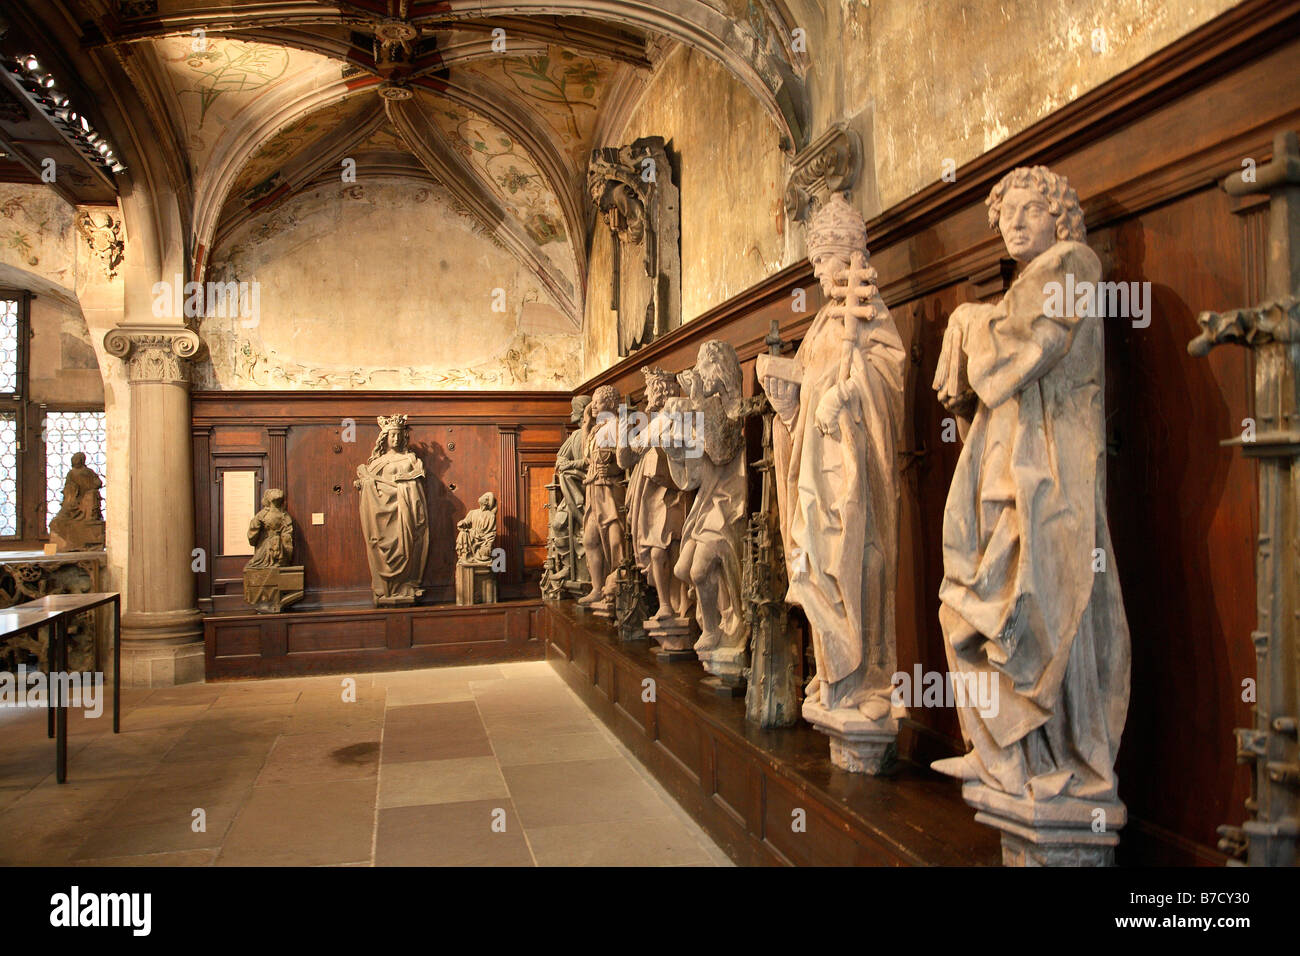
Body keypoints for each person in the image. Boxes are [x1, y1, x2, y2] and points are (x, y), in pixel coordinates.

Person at [930, 165, 1130, 801]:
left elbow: (1022, 352)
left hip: (1048, 476)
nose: (1014, 224)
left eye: (1029, 212)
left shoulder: (1074, 268)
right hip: (1006, 469)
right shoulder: (1024, 286)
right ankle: (997, 748)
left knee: (1037, 608)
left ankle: (1043, 756)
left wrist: (968, 318)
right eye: (1006, 215)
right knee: (971, 604)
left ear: (1061, 218)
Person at [758, 192, 906, 727]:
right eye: (816, 263)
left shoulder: (868, 312)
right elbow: (805, 395)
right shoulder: (823, 325)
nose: (818, 274)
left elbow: (887, 382)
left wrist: (849, 394)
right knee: (813, 565)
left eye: (823, 261)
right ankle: (831, 667)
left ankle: (865, 675)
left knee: (858, 563)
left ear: (847, 255)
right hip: (815, 473)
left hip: (852, 476)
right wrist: (786, 400)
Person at [354, 414, 429, 606]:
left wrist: (405, 485)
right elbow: (368, 484)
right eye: (392, 435)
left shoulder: (410, 460)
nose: (395, 439)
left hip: (406, 513)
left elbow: (417, 487)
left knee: (409, 546)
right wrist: (366, 483)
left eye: (399, 435)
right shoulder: (378, 463)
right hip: (382, 517)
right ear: (385, 438)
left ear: (404, 437)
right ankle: (385, 589)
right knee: (380, 546)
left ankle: (406, 585)